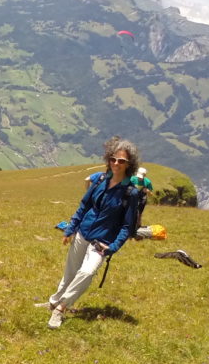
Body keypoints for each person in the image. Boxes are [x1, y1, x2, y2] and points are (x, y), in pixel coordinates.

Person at [46, 138, 145, 329]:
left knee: (87, 272)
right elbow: (85, 205)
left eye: (122, 161)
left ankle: (60, 309)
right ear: (108, 159)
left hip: (102, 242)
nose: (116, 164)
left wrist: (114, 247)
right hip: (83, 232)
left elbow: (127, 226)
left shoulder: (130, 193)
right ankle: (53, 302)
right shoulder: (100, 180)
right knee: (70, 273)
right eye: (114, 159)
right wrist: (70, 228)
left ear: (129, 164)